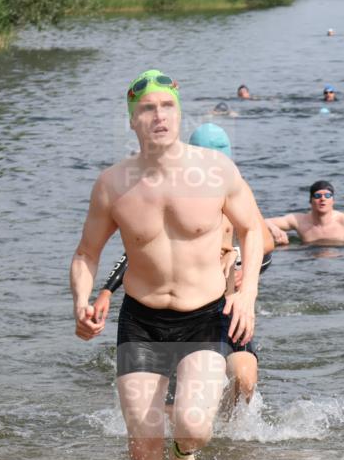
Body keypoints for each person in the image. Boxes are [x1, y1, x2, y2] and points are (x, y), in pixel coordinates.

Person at [71, 70, 264, 460]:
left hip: (205, 317)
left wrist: (247, 292)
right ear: (132, 121)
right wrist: (82, 301)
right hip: (142, 320)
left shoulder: (215, 170)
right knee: (142, 444)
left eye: (167, 106)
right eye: (147, 109)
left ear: (179, 113)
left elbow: (253, 228)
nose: (158, 116)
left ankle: (184, 454)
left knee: (193, 426)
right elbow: (86, 254)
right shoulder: (113, 185)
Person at [91, 123, 275, 409]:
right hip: (173, 309)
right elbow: (140, 252)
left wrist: (244, 275)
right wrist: (106, 290)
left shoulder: (232, 187)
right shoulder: (175, 189)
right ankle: (188, 433)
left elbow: (264, 242)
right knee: (167, 404)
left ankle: (226, 430)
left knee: (244, 378)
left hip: (222, 307)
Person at [266, 180, 344, 246]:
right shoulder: (298, 220)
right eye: (318, 196)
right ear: (310, 200)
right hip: (308, 259)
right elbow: (261, 220)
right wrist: (274, 229)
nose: (322, 199)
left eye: (327, 195)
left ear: (333, 200)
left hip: (340, 259)